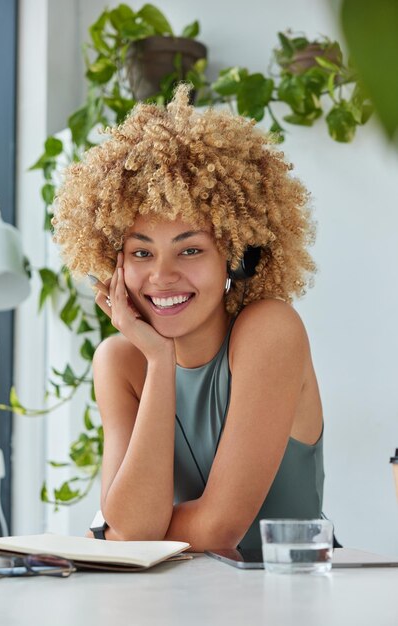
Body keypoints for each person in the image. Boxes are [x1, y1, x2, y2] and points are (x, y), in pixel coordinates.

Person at [52, 84, 323, 551]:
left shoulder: (269, 332)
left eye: (190, 249)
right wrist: (159, 359)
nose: (161, 276)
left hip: (286, 604)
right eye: (141, 252)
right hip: (173, 606)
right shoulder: (121, 362)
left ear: (234, 257)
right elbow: (132, 531)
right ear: (116, 263)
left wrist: (118, 532)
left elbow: (214, 531)